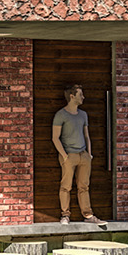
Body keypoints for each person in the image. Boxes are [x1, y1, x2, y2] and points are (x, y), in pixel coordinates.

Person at [53, 83, 105, 225]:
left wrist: (89, 154)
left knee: (84, 187)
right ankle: (65, 215)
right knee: (66, 187)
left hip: (83, 156)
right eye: (80, 95)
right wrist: (64, 156)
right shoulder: (61, 115)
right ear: (72, 96)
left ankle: (88, 216)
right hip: (69, 155)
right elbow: (55, 138)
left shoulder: (83, 115)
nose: (83, 97)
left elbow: (86, 135)